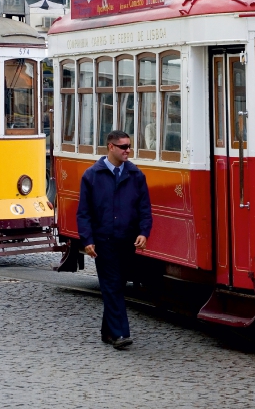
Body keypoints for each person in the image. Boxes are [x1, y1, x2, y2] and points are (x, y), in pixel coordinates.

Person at [76, 130, 152, 349]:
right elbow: (84, 213)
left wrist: (143, 232)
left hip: (127, 239)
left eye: (129, 146)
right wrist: (87, 239)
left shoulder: (136, 175)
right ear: (110, 147)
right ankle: (120, 334)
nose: (128, 150)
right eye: (123, 147)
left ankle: (107, 331)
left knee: (116, 285)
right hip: (104, 241)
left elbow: (144, 209)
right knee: (111, 286)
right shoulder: (92, 175)